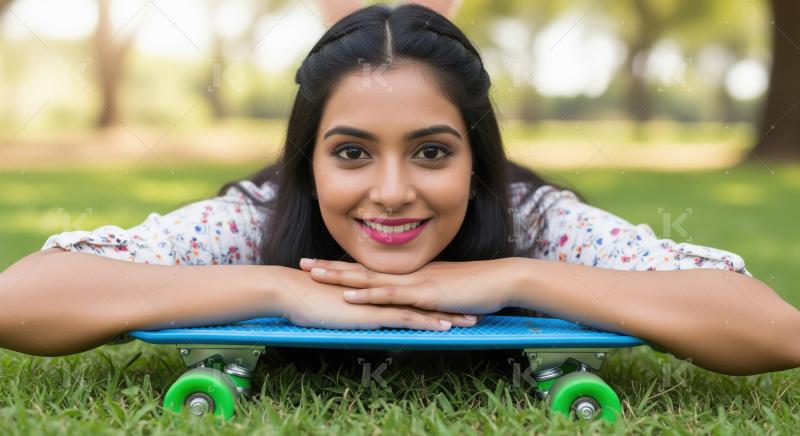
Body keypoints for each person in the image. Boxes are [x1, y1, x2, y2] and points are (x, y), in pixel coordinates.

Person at [1, 3, 798, 376]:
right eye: (350, 153)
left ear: (476, 157)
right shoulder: (261, 217)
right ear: (306, 160)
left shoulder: (531, 219)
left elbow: (773, 329)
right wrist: (284, 288)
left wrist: (518, 278)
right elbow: (24, 300)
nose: (391, 191)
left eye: (430, 152)